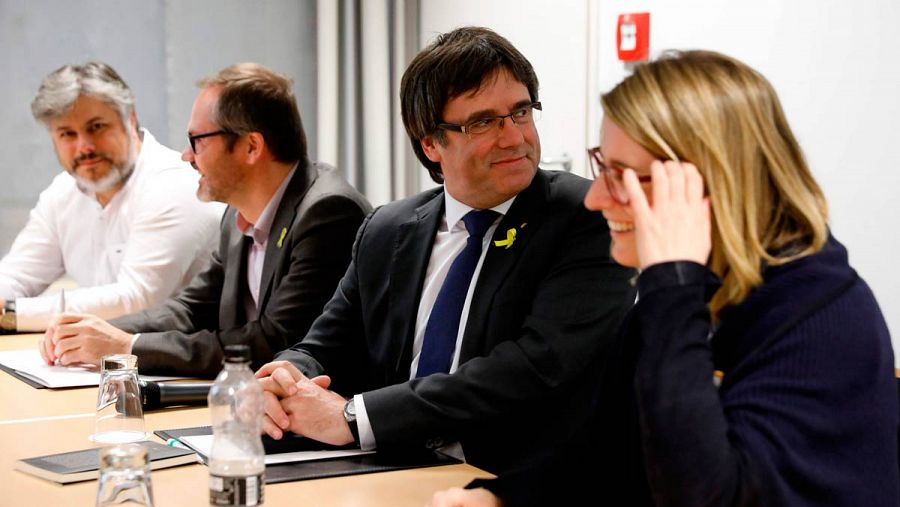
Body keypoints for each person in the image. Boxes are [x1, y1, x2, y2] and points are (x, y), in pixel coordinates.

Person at [429, 50, 898, 507]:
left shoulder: (820, 316)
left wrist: (673, 281)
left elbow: (703, 494)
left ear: (714, 184)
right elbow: (605, 455)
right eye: (602, 167)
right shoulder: (693, 296)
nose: (596, 200)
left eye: (627, 177)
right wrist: (500, 496)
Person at [254, 26, 635, 476]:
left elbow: (532, 368)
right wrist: (281, 380)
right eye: (483, 122)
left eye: (520, 112)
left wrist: (356, 418)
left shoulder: (585, 216)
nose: (514, 137)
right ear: (430, 143)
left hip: (513, 480)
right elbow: (325, 344)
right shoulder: (387, 229)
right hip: (385, 470)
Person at [39, 63, 372, 376]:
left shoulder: (327, 214)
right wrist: (96, 333)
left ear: (251, 147)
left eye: (196, 141)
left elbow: (276, 342)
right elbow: (191, 308)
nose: (186, 157)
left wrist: (128, 347)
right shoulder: (237, 215)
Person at [0, 62, 223, 332]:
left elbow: (139, 299)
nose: (84, 146)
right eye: (67, 134)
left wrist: (12, 314)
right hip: (107, 359)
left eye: (96, 127)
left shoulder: (173, 183)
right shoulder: (64, 192)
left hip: (192, 363)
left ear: (129, 119)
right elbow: (18, 272)